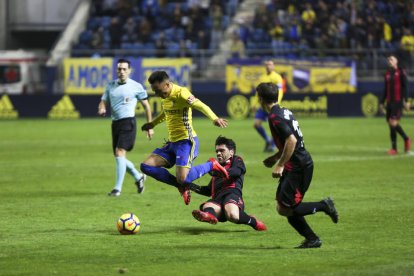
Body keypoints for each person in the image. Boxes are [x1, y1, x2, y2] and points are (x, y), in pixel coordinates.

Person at [256, 82, 338, 249]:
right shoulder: (284, 111)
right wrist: (275, 157)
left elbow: (291, 140)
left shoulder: (274, 117)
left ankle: (324, 206)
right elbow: (291, 142)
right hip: (297, 163)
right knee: (282, 207)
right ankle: (312, 239)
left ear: (261, 99)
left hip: (298, 166)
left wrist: (280, 164)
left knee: (286, 208)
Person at [140, 71, 229, 205]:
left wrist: (214, 118)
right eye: (154, 91)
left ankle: (211, 165)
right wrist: (152, 123)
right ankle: (181, 186)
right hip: (171, 143)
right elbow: (166, 112)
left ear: (167, 84)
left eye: (158, 90)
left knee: (182, 178)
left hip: (186, 142)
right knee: (146, 166)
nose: (157, 94)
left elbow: (201, 105)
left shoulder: (182, 93)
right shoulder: (165, 96)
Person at [98, 58, 154, 197]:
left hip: (128, 122)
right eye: (119, 69)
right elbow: (103, 101)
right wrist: (102, 108)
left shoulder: (136, 86)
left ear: (129, 70)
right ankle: (138, 177)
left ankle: (117, 189)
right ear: (116, 70)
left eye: (124, 69)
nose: (121, 71)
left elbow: (147, 106)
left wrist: (149, 126)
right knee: (119, 157)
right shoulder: (110, 85)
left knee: (119, 153)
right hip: (115, 124)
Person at [191, 136, 267, 231]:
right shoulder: (217, 167)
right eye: (217, 151)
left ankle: (253, 221)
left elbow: (236, 172)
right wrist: (189, 185)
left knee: (233, 216)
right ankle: (209, 216)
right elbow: (208, 191)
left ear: (231, 152)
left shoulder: (236, 160)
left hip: (231, 195)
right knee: (208, 206)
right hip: (218, 200)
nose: (218, 153)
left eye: (222, 150)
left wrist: (215, 171)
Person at [379, 55, 411, 155]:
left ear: (396, 61)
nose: (389, 61)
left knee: (393, 122)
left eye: (391, 59)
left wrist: (406, 100)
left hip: (397, 102)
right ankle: (394, 148)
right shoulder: (387, 74)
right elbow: (385, 89)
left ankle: (406, 139)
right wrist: (381, 102)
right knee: (391, 124)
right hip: (389, 102)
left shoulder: (401, 72)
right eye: (388, 60)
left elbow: (405, 87)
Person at [253, 60, 284, 152]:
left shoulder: (277, 77)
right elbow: (258, 93)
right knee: (256, 124)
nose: (268, 66)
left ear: (273, 66)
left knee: (275, 127)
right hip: (263, 106)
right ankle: (268, 140)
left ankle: (273, 145)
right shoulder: (262, 77)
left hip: (272, 105)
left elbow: (280, 91)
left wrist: (276, 103)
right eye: (266, 65)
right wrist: (254, 103)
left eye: (270, 65)